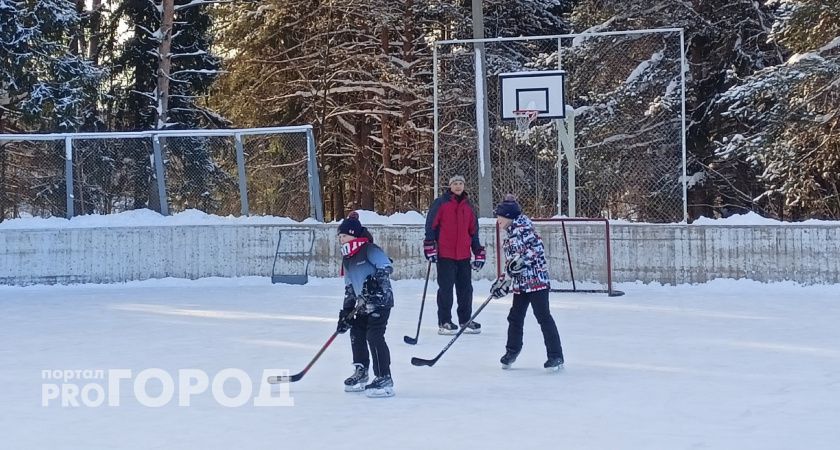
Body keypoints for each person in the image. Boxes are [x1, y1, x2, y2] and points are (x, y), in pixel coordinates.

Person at [490, 194, 564, 371]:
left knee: (543, 317)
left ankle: (556, 356)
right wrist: (503, 281)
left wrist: (521, 262)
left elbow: (537, 250)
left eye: (500, 216)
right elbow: (511, 264)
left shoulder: (525, 228)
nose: (498, 220)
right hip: (521, 284)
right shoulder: (509, 234)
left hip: (536, 281)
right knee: (515, 317)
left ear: (508, 216)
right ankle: (512, 351)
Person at [335, 212, 395, 397]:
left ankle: (384, 377)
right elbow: (350, 287)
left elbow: (386, 266)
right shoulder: (347, 258)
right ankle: (361, 371)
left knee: (374, 336)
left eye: (344, 235)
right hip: (361, 305)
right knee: (356, 333)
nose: (341, 239)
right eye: (340, 237)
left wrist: (374, 282)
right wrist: (345, 313)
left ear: (354, 235)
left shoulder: (369, 248)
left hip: (379, 301)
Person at [424, 175, 486, 335]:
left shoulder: (469, 206)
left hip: (464, 255)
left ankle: (465, 320)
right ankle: (444, 321)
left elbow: (473, 231)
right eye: (455, 183)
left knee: (466, 289)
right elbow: (431, 224)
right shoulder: (441, 203)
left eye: (461, 183)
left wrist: (478, 251)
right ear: (450, 186)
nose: (458, 186)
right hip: (445, 254)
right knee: (446, 289)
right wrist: (429, 244)